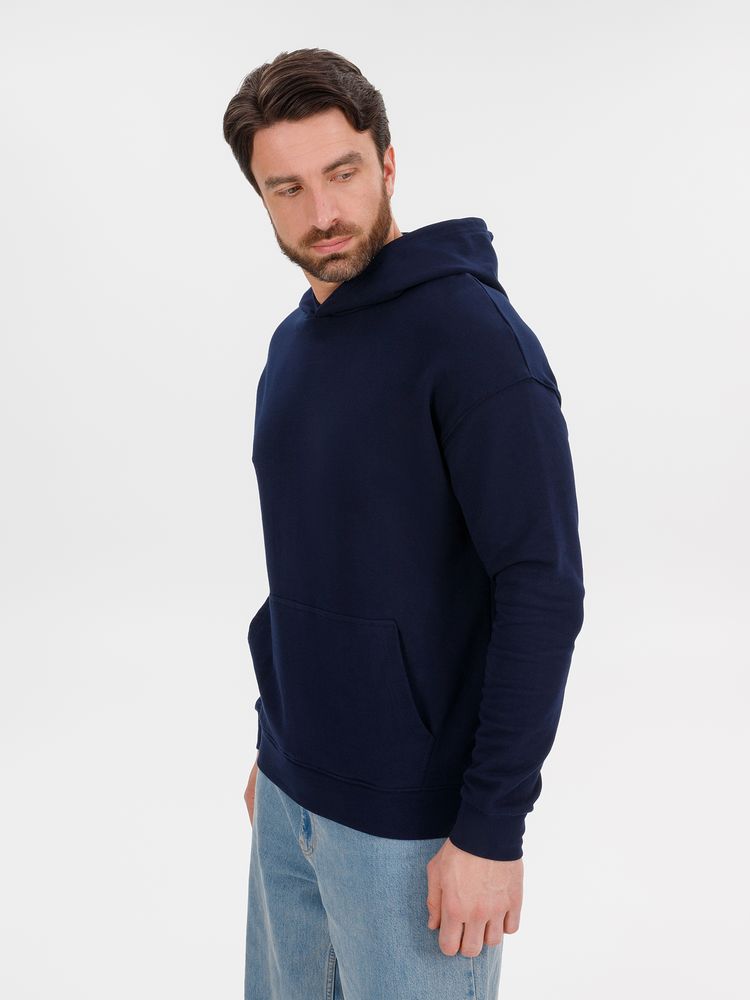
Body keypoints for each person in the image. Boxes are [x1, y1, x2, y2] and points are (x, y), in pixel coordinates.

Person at [222, 47, 585, 1000]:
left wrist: (491, 830)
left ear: (387, 163)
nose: (322, 212)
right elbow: (307, 564)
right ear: (261, 198)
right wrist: (276, 740)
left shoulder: (475, 343)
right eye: (288, 188)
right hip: (290, 797)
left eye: (342, 173)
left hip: (414, 830)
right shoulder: (294, 344)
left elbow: (542, 590)